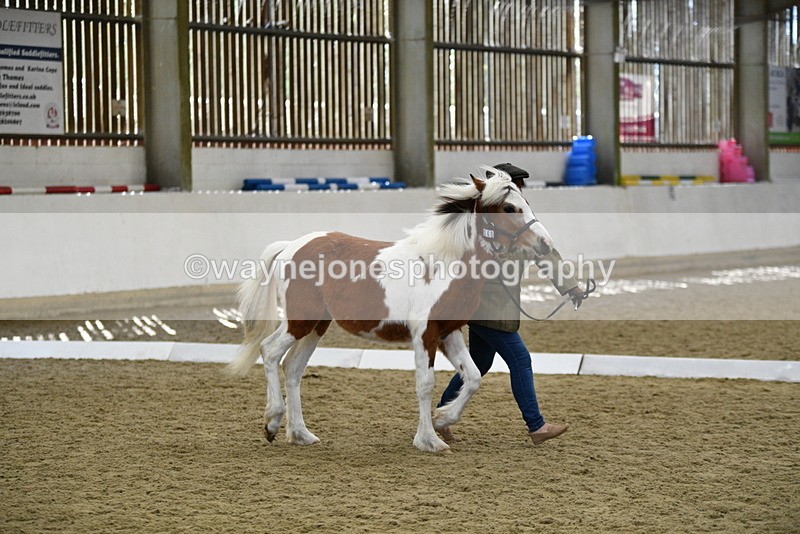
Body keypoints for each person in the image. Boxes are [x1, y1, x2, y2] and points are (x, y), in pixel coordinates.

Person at [437, 163, 586, 446]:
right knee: (520, 360)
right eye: (517, 185)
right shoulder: (480, 220)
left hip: (498, 305)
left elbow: (546, 254)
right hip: (486, 305)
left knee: (479, 363)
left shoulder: (517, 219)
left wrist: (570, 287)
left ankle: (441, 415)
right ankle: (536, 425)